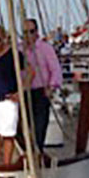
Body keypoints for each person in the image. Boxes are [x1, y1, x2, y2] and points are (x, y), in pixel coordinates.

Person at [0, 24, 34, 164]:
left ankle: (6, 165)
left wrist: (20, 92)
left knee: (8, 136)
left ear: (4, 38)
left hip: (8, 101)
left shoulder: (14, 54)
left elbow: (30, 72)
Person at [21, 19, 62, 152]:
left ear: (37, 32)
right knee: (22, 126)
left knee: (39, 126)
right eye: (25, 32)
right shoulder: (19, 49)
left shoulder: (45, 48)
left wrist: (51, 86)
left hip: (41, 91)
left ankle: (37, 151)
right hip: (24, 92)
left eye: (31, 31)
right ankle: (26, 152)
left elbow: (55, 69)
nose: (28, 35)